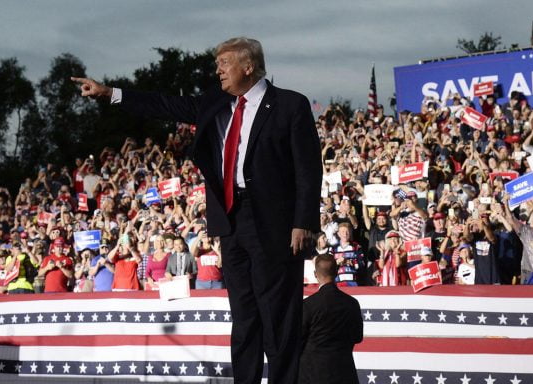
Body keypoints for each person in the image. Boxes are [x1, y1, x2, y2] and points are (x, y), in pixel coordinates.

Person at [73, 37, 321, 383]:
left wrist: (304, 222)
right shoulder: (216, 102)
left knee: (278, 317)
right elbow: (166, 104)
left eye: (224, 63)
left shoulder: (290, 105)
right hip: (231, 221)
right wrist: (110, 92)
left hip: (275, 224)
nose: (217, 70)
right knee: (245, 317)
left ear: (248, 67)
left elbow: (309, 169)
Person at [299, 253, 363, 384]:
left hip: (312, 374)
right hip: (344, 372)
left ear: (315, 274)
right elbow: (357, 336)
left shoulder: (308, 305)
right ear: (337, 272)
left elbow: (298, 339)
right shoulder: (352, 303)